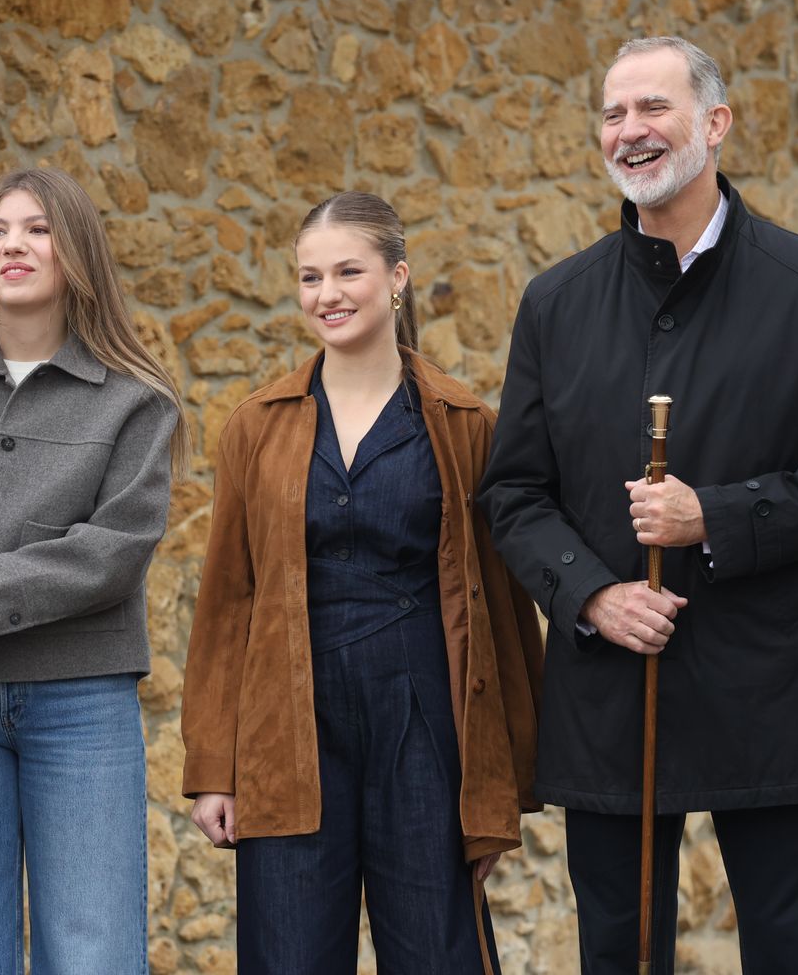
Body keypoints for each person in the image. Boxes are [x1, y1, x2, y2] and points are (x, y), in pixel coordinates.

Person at [479, 35, 798, 973]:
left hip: (776, 688)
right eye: (613, 112)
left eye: (653, 108)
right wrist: (592, 594)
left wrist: (713, 515)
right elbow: (514, 490)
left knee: (795, 946)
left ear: (715, 124)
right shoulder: (556, 302)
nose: (630, 131)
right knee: (621, 953)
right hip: (613, 691)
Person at [181, 191, 542, 974]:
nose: (327, 294)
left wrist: (500, 783)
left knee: (438, 953)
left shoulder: (463, 422)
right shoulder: (258, 423)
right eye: (310, 278)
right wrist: (215, 765)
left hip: (424, 716)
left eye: (348, 271)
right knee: (288, 952)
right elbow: (226, 602)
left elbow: (503, 609)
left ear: (398, 277)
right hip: (285, 722)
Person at [0, 167, 189, 975]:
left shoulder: (136, 400)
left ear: (76, 252)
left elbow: (112, 552)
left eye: (36, 229)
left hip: (81, 705)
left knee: (91, 952)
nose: (12, 245)